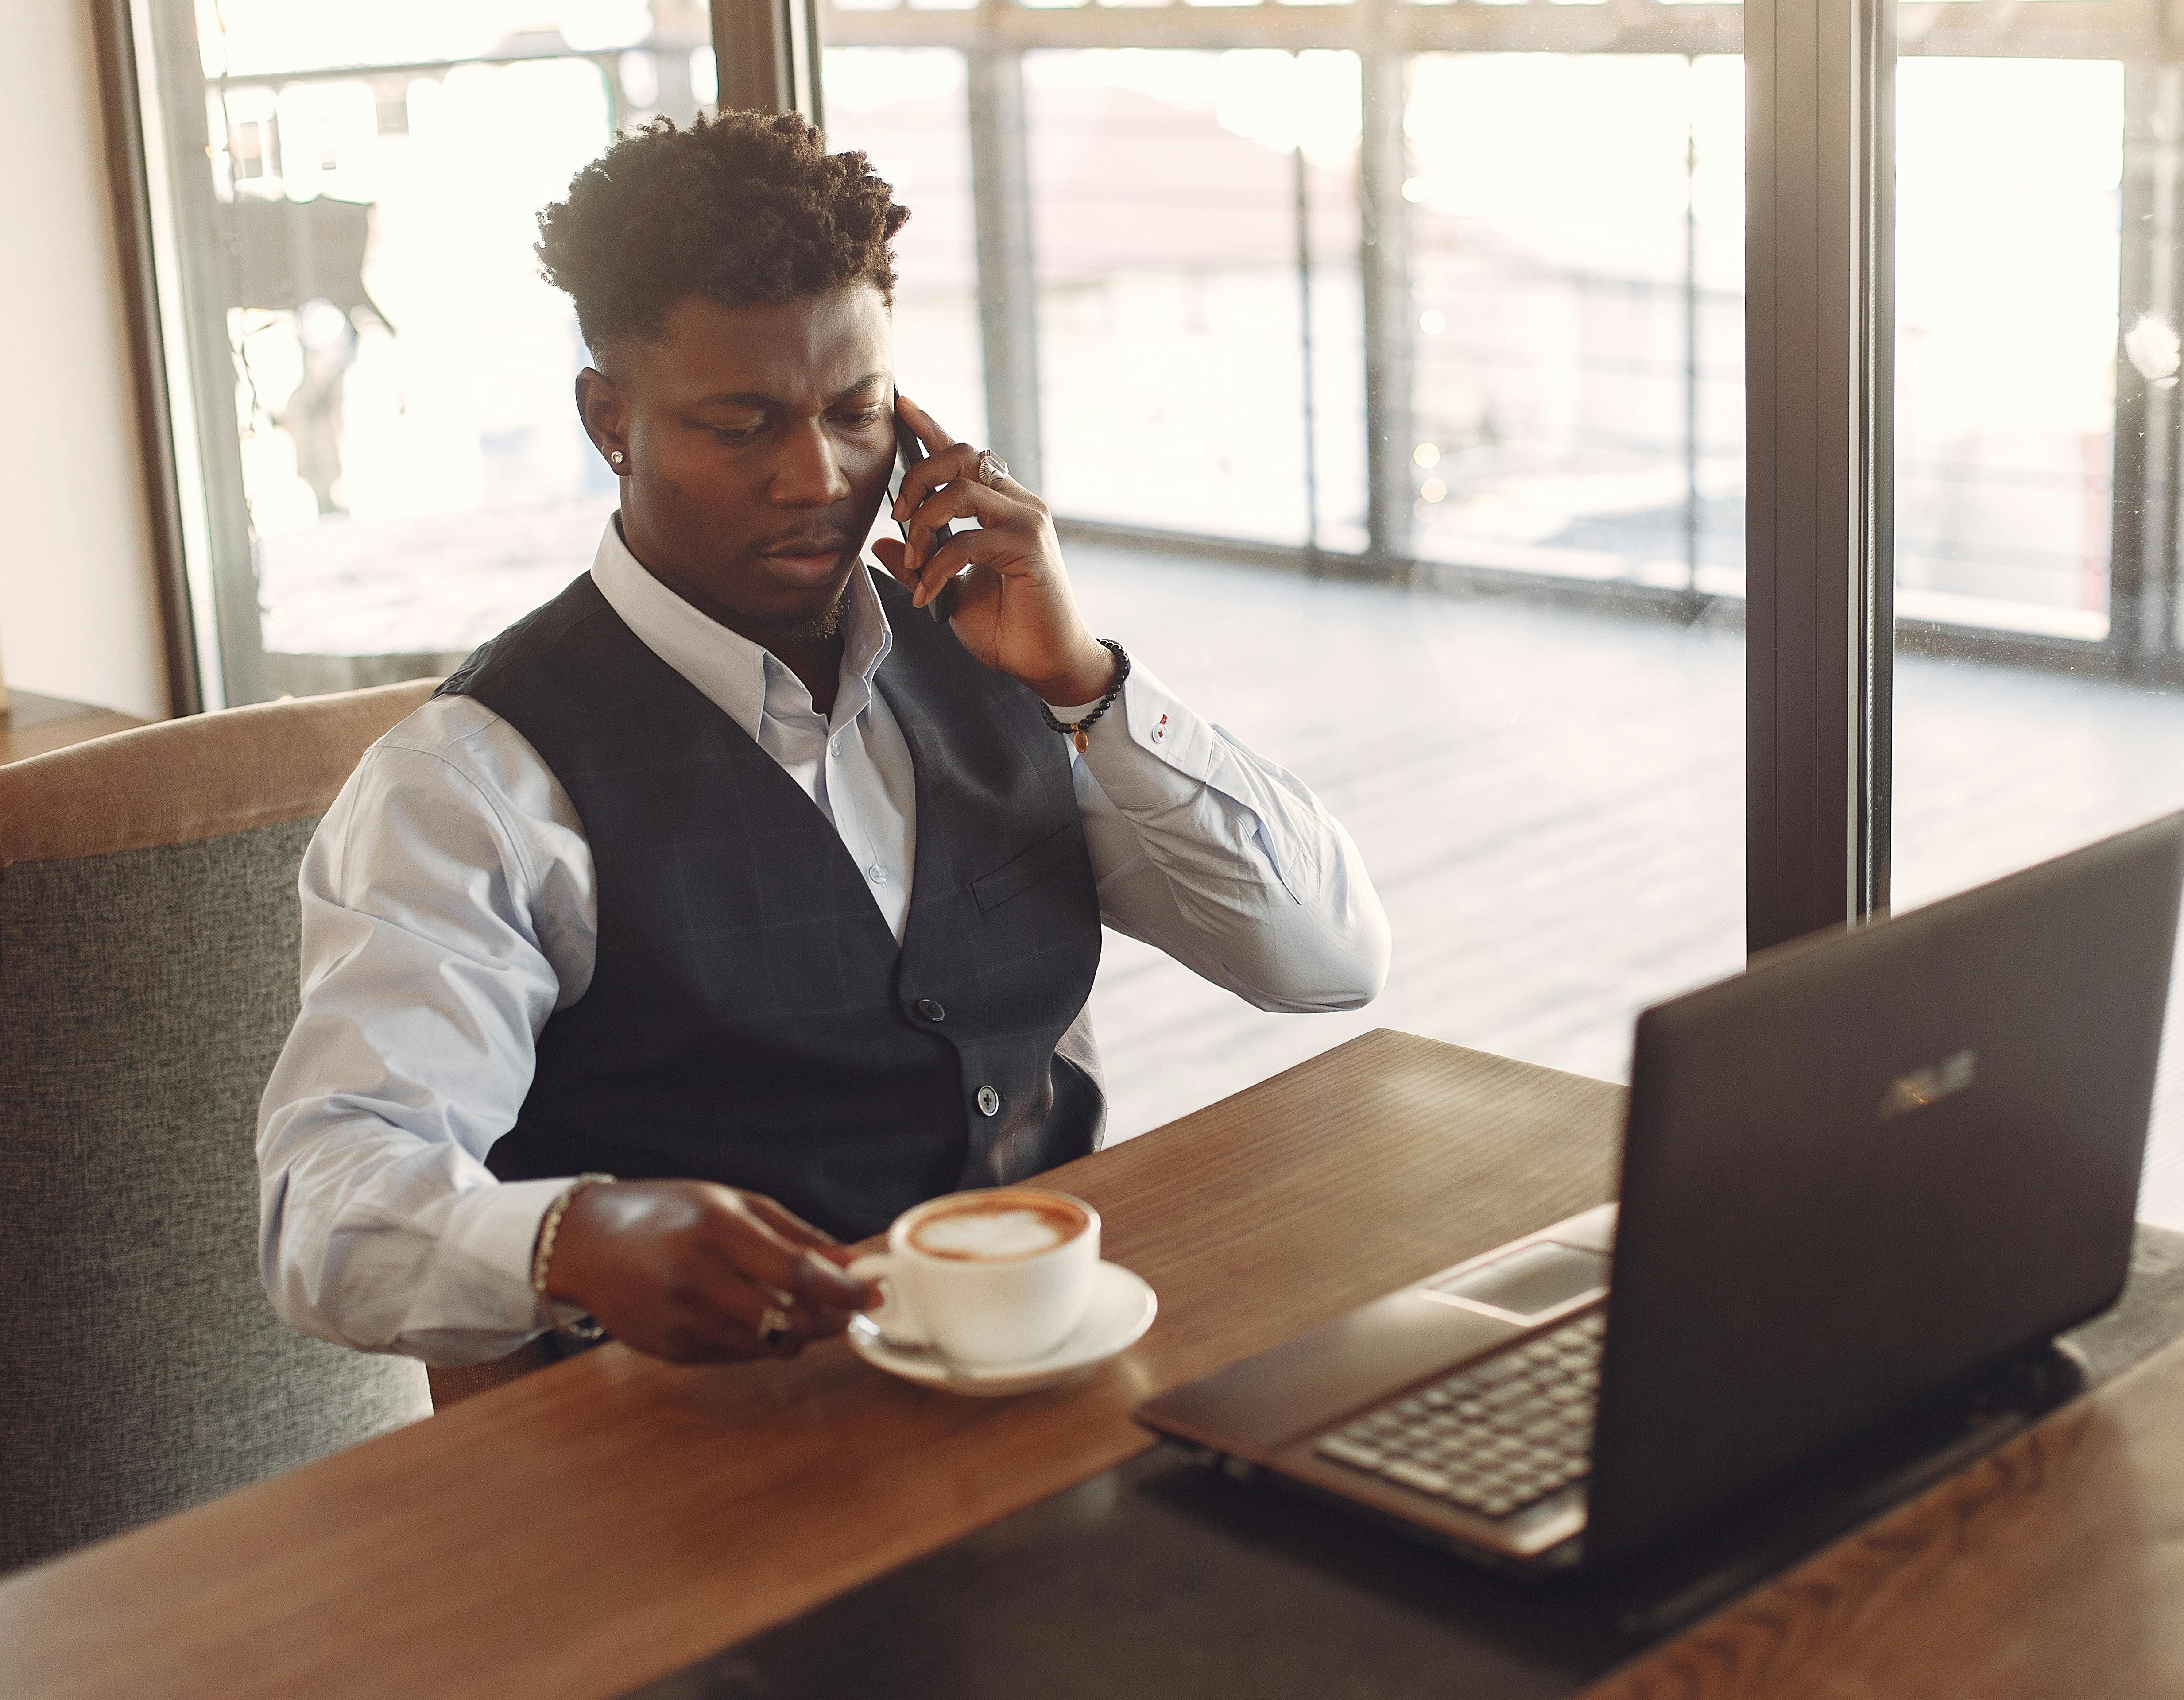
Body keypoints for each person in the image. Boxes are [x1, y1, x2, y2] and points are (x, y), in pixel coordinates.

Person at [256, 112, 1388, 1372]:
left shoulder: (996, 657)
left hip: (1052, 1364)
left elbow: (1326, 962)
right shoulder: (473, 782)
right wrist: (568, 1240)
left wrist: (1088, 685)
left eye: (857, 414)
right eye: (741, 428)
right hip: (708, 1449)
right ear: (608, 421)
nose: (816, 478)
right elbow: (325, 1203)